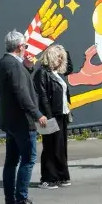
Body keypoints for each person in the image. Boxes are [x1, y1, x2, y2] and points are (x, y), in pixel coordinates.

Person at [0, 30, 48, 204]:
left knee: (11, 161)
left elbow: (17, 86)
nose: (26, 49)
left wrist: (27, 67)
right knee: (28, 159)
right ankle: (21, 200)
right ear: (19, 47)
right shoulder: (15, 66)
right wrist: (37, 114)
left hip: (9, 121)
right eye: (25, 46)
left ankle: (10, 202)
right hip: (23, 121)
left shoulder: (3, 63)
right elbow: (21, 93)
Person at [33, 44, 71, 189]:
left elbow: (70, 67)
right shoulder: (41, 73)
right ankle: (48, 178)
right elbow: (42, 97)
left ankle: (61, 176)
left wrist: (63, 50)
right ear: (51, 57)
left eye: (62, 58)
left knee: (60, 147)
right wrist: (47, 116)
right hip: (50, 115)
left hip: (62, 114)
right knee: (50, 147)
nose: (60, 60)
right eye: (58, 57)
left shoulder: (56, 74)